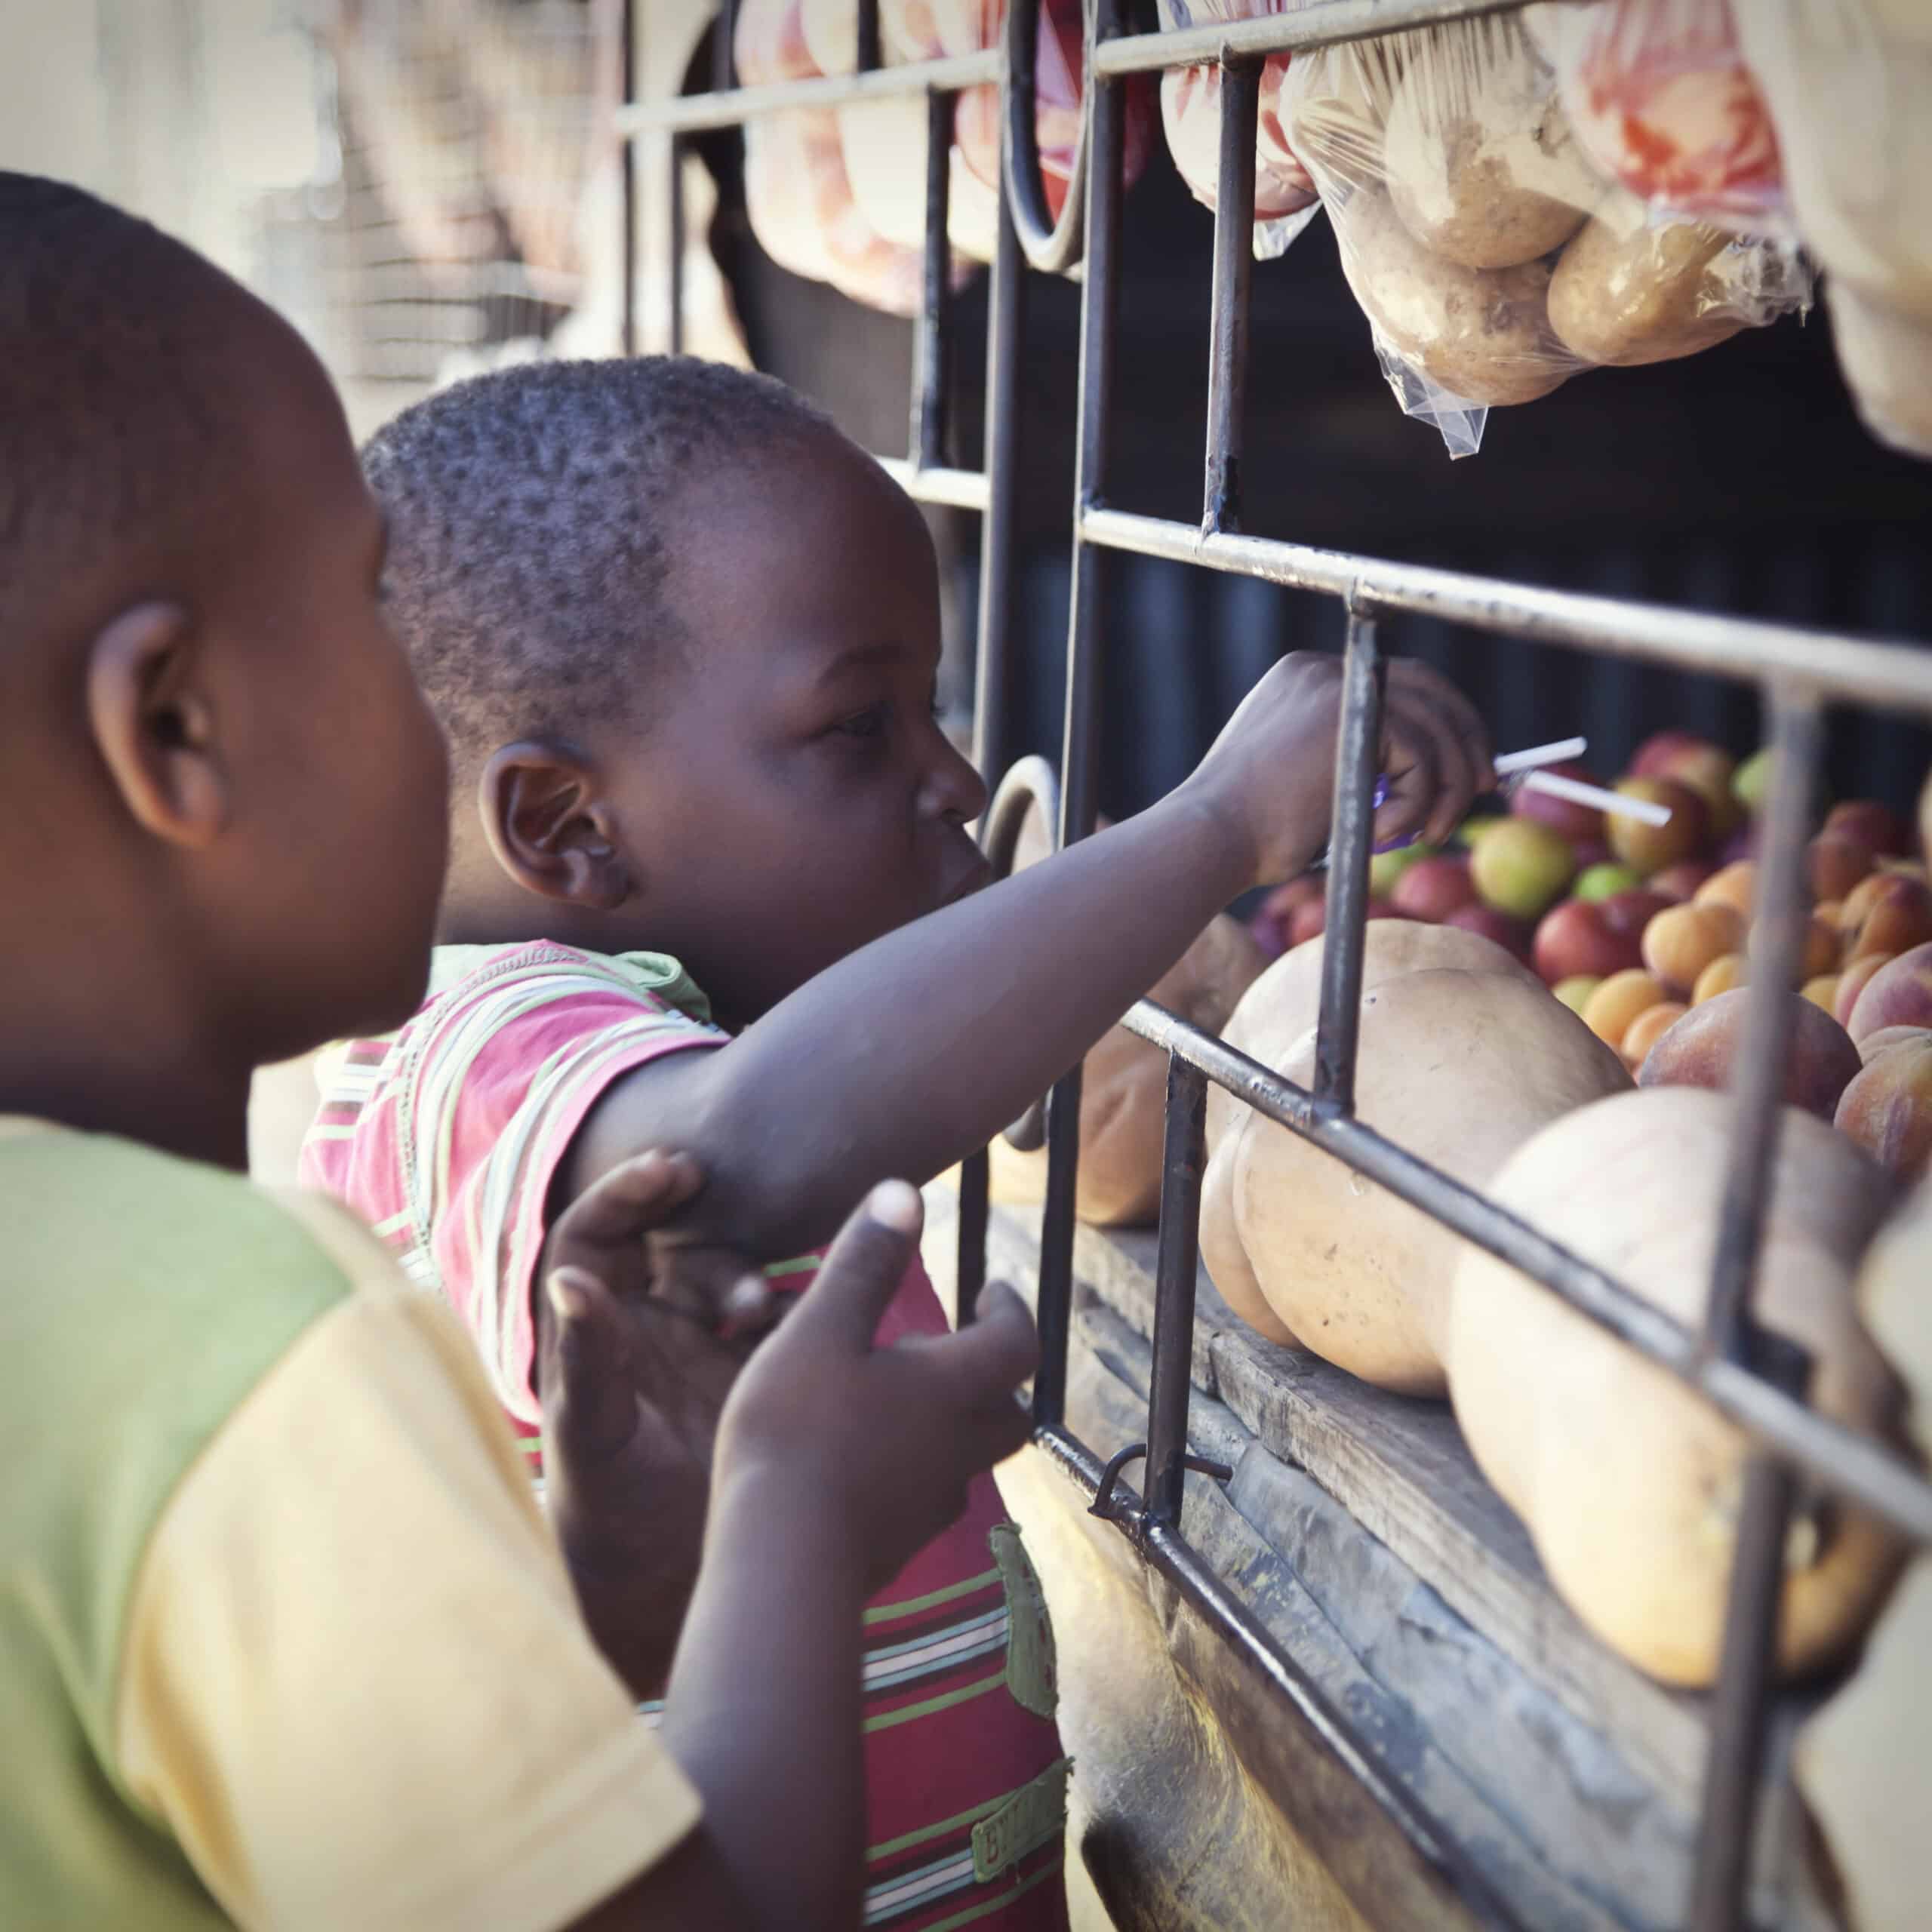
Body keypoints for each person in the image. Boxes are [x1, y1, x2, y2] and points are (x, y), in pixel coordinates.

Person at [295, 358, 1494, 1928]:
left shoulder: (646, 1017)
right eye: (859, 725)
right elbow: (737, 1159)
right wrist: (1210, 825)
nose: (945, 778)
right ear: (569, 827)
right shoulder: (474, 1052)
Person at [0, 172, 1040, 1932]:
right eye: (360, 614)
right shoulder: (242, 1353)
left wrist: (602, 1600)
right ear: (175, 727)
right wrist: (788, 1525)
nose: (441, 713)